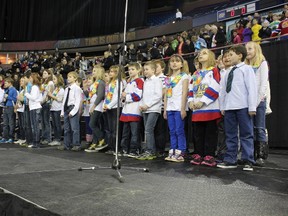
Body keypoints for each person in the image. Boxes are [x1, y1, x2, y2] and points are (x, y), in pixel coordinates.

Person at [217, 45, 257, 171]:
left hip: (243, 106)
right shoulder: (227, 72)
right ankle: (230, 159)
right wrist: (222, 106)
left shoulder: (247, 69)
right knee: (231, 134)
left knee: (246, 133)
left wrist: (252, 107)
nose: (228, 57)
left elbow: (252, 88)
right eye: (227, 55)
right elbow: (222, 91)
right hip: (229, 107)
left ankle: (248, 159)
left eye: (231, 54)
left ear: (240, 55)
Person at [188, 49, 222, 167]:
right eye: (200, 53)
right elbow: (191, 89)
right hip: (197, 110)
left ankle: (209, 155)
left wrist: (203, 101)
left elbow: (216, 87)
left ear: (211, 56)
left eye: (204, 53)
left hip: (210, 108)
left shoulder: (213, 71)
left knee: (210, 133)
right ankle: (199, 154)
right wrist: (190, 101)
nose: (201, 55)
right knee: (198, 133)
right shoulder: (196, 74)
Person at [245, 41, 270, 166]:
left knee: (259, 128)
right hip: (247, 102)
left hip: (259, 101)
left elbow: (263, 85)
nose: (247, 51)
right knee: (249, 129)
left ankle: (260, 155)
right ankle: (250, 155)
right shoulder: (245, 66)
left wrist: (255, 103)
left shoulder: (262, 63)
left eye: (250, 49)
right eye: (246, 49)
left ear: (257, 50)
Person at [164, 54, 189, 162]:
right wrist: (165, 109)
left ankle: (181, 150)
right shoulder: (168, 78)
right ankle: (173, 149)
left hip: (179, 107)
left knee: (179, 130)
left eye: (177, 61)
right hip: (170, 107)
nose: (174, 63)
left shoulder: (184, 76)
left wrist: (183, 108)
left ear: (181, 64)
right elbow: (165, 95)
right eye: (172, 61)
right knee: (172, 130)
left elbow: (184, 93)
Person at [137, 61, 162, 160]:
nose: (145, 71)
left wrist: (148, 105)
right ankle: (148, 149)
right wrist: (142, 105)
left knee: (148, 129)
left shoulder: (157, 80)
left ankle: (151, 151)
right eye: (144, 69)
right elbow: (143, 95)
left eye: (147, 69)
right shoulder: (146, 81)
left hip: (153, 109)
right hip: (146, 109)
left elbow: (158, 96)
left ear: (153, 70)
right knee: (147, 130)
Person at [119, 63, 144, 157]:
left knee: (135, 132)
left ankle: (135, 149)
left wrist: (127, 96)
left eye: (133, 69)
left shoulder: (139, 81)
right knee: (125, 132)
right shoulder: (129, 82)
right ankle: (124, 148)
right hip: (126, 110)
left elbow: (138, 95)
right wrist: (123, 97)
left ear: (138, 70)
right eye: (129, 70)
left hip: (134, 110)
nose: (130, 71)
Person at [215, 50, 232, 162]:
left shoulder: (230, 71)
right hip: (218, 106)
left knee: (229, 130)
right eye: (220, 60)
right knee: (221, 130)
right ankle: (221, 151)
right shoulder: (216, 73)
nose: (221, 62)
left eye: (224, 59)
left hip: (229, 105)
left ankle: (228, 153)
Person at [85, 66, 106, 153]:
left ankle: (102, 139)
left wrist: (93, 106)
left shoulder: (101, 82)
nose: (92, 72)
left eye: (94, 71)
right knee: (95, 125)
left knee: (92, 124)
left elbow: (100, 95)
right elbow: (91, 95)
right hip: (93, 106)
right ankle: (95, 142)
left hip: (97, 107)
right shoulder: (94, 83)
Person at [59, 71, 82, 151]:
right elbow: (64, 101)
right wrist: (62, 112)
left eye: (70, 77)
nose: (68, 78)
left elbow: (77, 101)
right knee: (66, 129)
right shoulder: (67, 89)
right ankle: (66, 144)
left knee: (74, 128)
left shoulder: (77, 88)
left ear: (75, 78)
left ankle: (76, 144)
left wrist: (73, 112)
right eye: (68, 77)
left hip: (72, 108)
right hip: (66, 108)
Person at [103, 65, 123, 154]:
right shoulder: (110, 83)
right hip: (109, 107)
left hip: (115, 108)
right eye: (110, 71)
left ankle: (116, 148)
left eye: (113, 72)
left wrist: (109, 105)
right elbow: (107, 95)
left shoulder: (119, 82)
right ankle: (111, 147)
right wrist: (105, 105)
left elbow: (118, 96)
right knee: (110, 129)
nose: (110, 73)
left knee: (115, 129)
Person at [24, 73, 43, 148]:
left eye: (31, 78)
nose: (30, 79)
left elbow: (34, 98)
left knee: (35, 126)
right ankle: (35, 141)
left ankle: (36, 142)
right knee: (34, 125)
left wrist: (26, 94)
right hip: (34, 107)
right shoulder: (35, 87)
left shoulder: (34, 87)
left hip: (35, 107)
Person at [153, 59, 167, 156]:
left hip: (160, 106)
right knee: (153, 129)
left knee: (160, 130)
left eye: (156, 67)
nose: (154, 69)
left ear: (162, 68)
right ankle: (154, 148)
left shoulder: (164, 78)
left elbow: (163, 92)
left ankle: (160, 149)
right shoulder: (151, 79)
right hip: (152, 107)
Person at [47, 74, 65, 146]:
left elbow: (60, 99)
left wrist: (51, 95)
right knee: (54, 124)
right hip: (53, 108)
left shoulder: (61, 89)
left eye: (54, 79)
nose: (53, 80)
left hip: (58, 108)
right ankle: (55, 138)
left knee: (57, 124)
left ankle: (58, 139)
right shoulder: (55, 89)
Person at [0, 77, 17, 143]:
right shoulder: (7, 90)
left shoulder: (13, 90)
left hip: (11, 107)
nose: (5, 84)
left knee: (11, 123)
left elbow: (15, 99)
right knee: (5, 123)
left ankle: (11, 137)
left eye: (6, 83)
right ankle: (5, 137)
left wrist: (8, 97)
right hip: (6, 106)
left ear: (10, 83)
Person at [41, 69, 54, 145]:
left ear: (49, 74)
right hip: (42, 102)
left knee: (46, 121)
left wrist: (43, 101)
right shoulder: (43, 82)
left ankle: (48, 138)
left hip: (47, 102)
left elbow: (49, 93)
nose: (43, 74)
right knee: (42, 121)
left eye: (45, 73)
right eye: (43, 73)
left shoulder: (50, 83)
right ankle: (44, 137)